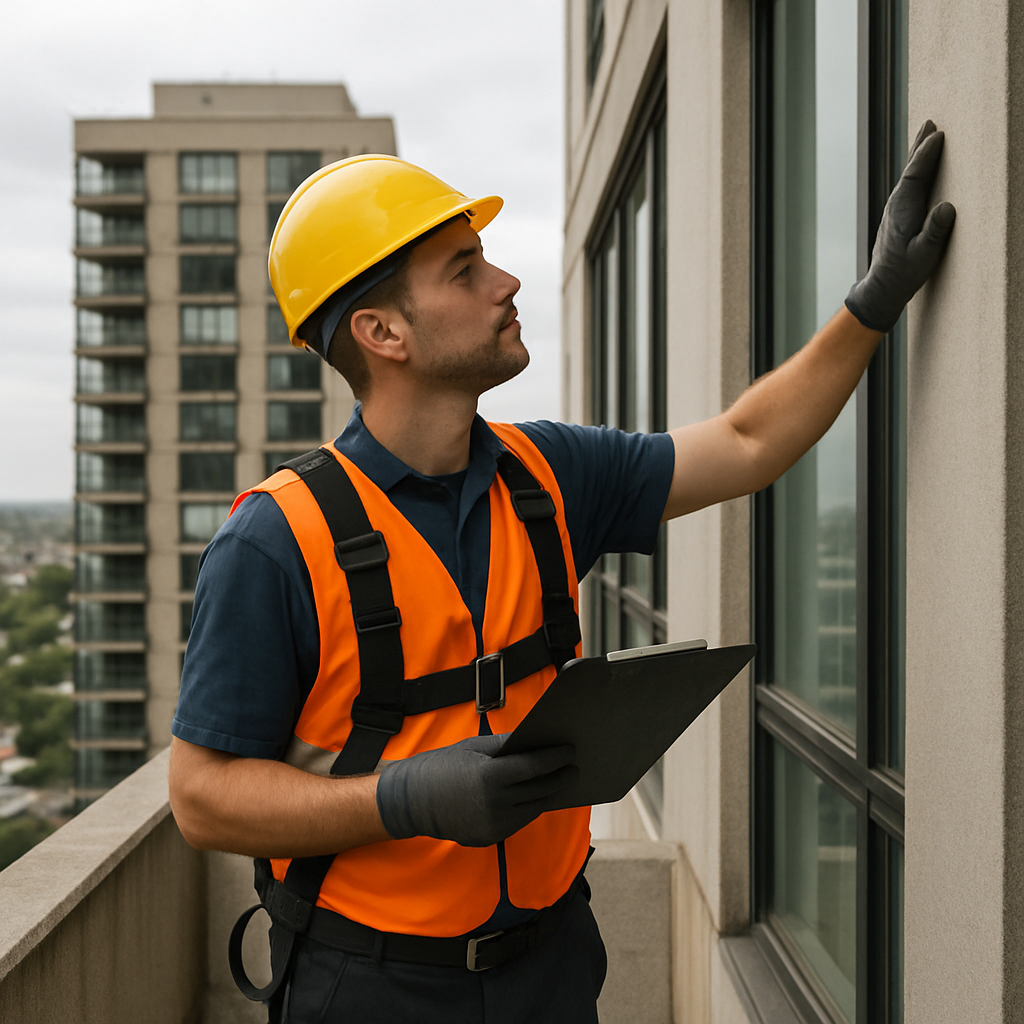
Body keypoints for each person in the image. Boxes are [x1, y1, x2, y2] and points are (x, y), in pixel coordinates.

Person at [168, 121, 955, 1023]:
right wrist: (407, 797)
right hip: (369, 988)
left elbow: (746, 442)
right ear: (382, 331)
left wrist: (873, 304)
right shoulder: (275, 542)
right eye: (464, 270)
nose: (504, 284)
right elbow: (202, 799)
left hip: (552, 968)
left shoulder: (549, 475)